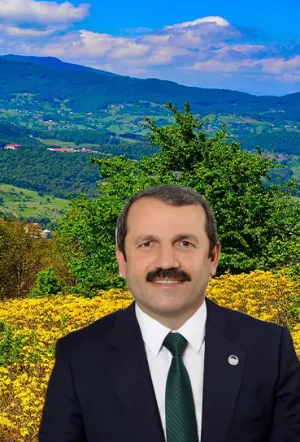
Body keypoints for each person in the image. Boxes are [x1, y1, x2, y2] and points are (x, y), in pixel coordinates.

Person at [38, 184, 300, 441]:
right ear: (122, 262)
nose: (167, 262)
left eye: (185, 243)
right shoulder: (79, 357)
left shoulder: (269, 349)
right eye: (147, 244)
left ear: (213, 258)